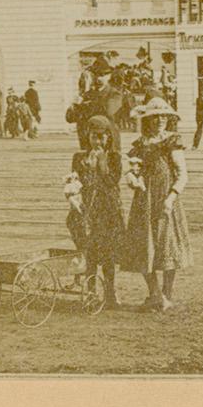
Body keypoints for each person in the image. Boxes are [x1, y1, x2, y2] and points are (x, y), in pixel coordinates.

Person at [121, 99, 190, 311]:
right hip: (144, 201)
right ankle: (154, 293)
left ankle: (166, 294)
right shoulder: (140, 144)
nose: (160, 120)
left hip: (165, 199)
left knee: (166, 245)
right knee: (143, 245)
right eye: (156, 116)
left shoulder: (171, 142)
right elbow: (132, 169)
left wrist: (171, 198)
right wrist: (133, 179)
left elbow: (182, 175)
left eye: (164, 116)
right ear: (148, 119)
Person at [70, 114, 126, 308]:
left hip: (108, 212)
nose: (98, 141)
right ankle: (91, 292)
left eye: (102, 136)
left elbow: (112, 182)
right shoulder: (79, 157)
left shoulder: (115, 157)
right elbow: (75, 183)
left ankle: (110, 293)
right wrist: (72, 196)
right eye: (94, 136)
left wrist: (102, 163)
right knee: (90, 253)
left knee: (108, 254)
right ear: (88, 136)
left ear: (109, 137)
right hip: (88, 211)